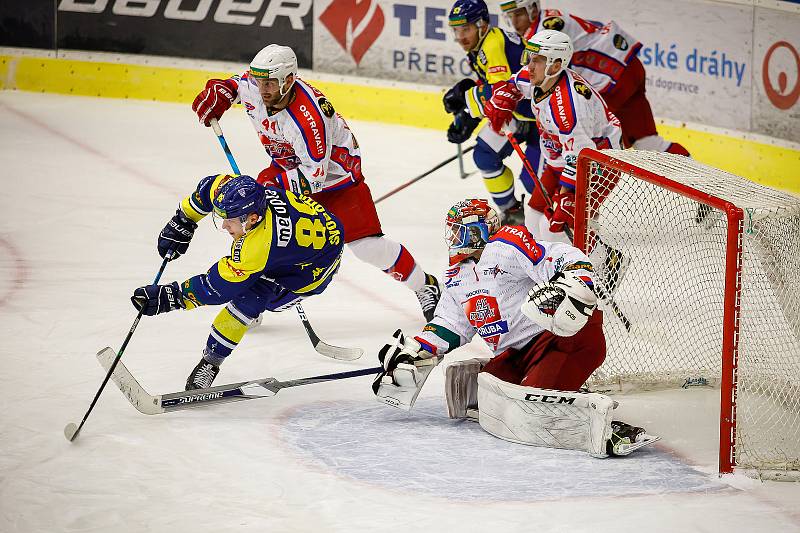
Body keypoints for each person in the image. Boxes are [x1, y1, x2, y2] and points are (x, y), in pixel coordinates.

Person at [371, 199, 657, 457]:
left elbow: (560, 256)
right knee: (491, 393)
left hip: (565, 338)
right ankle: (557, 389)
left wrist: (575, 278)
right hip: (519, 352)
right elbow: (448, 324)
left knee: (529, 411)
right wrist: (416, 349)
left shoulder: (506, 246)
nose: (454, 239)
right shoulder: (457, 276)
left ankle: (610, 429)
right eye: (452, 232)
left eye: (460, 231)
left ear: (479, 230)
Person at [191, 44, 441, 321]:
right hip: (286, 168)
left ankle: (424, 284)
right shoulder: (257, 85)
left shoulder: (308, 120)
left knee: (367, 247)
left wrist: (272, 194)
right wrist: (222, 91)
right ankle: (250, 292)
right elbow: (237, 85)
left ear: (288, 80)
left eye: (270, 84)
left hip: (337, 181)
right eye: (260, 82)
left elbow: (314, 177)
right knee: (254, 224)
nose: (263, 90)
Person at [131, 174, 344, 390]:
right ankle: (212, 361)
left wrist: (174, 297)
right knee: (250, 296)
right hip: (310, 231)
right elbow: (210, 188)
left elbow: (216, 288)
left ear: (251, 219)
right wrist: (184, 219)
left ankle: (211, 362)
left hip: (310, 270)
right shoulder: (243, 196)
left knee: (253, 302)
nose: (223, 225)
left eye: (229, 220)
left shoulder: (256, 248)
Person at [484, 30, 624, 247]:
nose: (530, 66)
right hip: (563, 157)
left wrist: (566, 195)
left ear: (556, 65)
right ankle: (544, 269)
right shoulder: (541, 77)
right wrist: (504, 97)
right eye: (530, 58)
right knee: (532, 216)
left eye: (537, 60)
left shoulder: (568, 108)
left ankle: (605, 264)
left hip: (598, 164)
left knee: (556, 229)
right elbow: (513, 84)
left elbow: (580, 158)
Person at [499, 0, 690, 155]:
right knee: (647, 142)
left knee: (592, 147)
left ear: (533, 8)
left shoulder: (544, 32)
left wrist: (506, 90)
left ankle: (577, 199)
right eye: (510, 16)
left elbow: (536, 75)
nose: (515, 22)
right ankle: (701, 185)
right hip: (627, 68)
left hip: (613, 77)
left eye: (519, 14)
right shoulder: (548, 18)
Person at [443, 0, 540, 225]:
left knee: (536, 184)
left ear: (482, 24)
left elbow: (500, 93)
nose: (460, 37)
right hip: (519, 114)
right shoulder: (481, 45)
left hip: (541, 118)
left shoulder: (492, 44)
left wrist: (467, 105)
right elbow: (496, 88)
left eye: (465, 29)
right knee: (484, 156)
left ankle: (559, 228)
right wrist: (467, 112)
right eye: (456, 31)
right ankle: (513, 214)